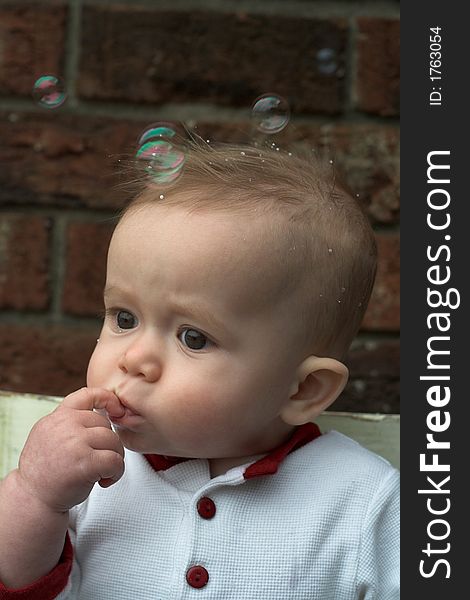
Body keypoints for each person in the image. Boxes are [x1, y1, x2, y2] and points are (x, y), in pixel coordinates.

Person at [0, 143, 399, 599]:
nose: (134, 359)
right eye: (124, 318)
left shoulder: (364, 502)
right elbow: (19, 587)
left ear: (304, 389)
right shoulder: (86, 470)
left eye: (194, 337)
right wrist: (34, 496)